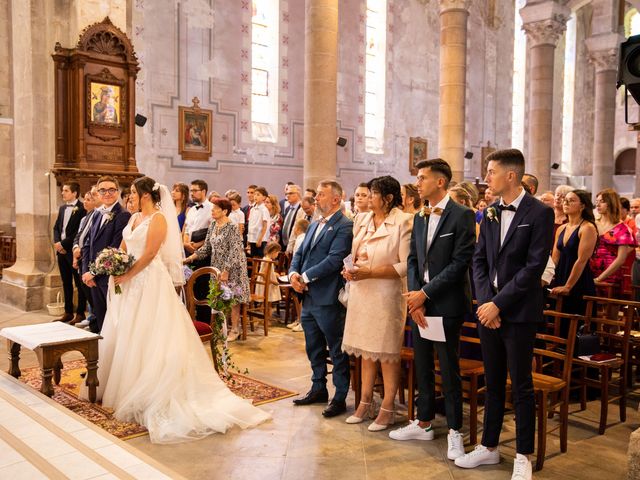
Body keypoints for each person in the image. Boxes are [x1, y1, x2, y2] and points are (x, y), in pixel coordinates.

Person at [85, 177, 269, 443]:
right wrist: (109, 268)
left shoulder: (158, 219)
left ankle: (151, 390)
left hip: (149, 282)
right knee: (126, 331)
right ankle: (124, 383)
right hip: (129, 284)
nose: (131, 197)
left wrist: (128, 274)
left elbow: (148, 255)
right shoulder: (133, 218)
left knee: (150, 333)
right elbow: (122, 249)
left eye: (134, 193)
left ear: (147, 195)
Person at [456, 149, 554, 480]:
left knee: (521, 384)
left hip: (519, 311)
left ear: (510, 176)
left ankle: (523, 455)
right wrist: (486, 302)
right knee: (493, 381)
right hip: (489, 310)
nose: (487, 177)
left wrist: (500, 304)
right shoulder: (491, 213)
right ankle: (489, 446)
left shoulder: (539, 213)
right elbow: (479, 260)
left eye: (491, 171)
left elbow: (533, 267)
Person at [389, 159, 475, 461]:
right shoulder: (422, 216)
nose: (418, 183)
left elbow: (459, 263)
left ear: (440, 182)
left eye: (422, 178)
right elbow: (413, 259)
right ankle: (424, 421)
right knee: (422, 364)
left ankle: (454, 431)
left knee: (448, 369)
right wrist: (415, 296)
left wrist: (424, 294)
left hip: (445, 302)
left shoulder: (463, 216)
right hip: (419, 301)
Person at [341, 176, 413, 430]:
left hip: (386, 294)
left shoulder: (404, 221)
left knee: (385, 353)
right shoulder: (361, 219)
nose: (368, 197)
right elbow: (356, 253)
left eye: (372, 193)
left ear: (388, 198)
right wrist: (349, 269)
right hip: (362, 291)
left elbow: (406, 264)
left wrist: (371, 271)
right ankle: (365, 401)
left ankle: (388, 406)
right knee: (365, 350)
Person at [289, 180, 353, 418]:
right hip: (308, 297)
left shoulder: (344, 225)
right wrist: (294, 273)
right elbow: (301, 253)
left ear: (336, 199)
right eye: (316, 194)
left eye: (322, 194)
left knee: (336, 349)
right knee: (313, 346)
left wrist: (305, 277)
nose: (316, 198)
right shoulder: (316, 223)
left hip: (328, 297)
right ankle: (318, 387)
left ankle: (339, 396)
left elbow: (335, 259)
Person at [185, 196, 251, 343]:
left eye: (215, 208)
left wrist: (226, 270)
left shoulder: (232, 227)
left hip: (233, 267)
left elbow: (235, 251)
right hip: (217, 266)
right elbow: (207, 248)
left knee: (233, 299)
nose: (212, 211)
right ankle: (222, 328)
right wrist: (189, 258)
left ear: (225, 211)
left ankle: (235, 329)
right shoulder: (213, 225)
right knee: (220, 298)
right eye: (212, 208)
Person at [81, 176, 131, 333]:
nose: (107, 193)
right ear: (97, 192)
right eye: (103, 190)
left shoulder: (123, 215)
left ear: (117, 191)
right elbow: (88, 244)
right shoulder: (96, 213)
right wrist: (85, 272)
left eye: (111, 190)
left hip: (109, 277)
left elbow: (115, 249)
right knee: (101, 317)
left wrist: (94, 272)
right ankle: (104, 353)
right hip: (93, 277)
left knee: (113, 320)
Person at [550, 190, 597, 326]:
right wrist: (547, 279)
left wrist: (568, 286)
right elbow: (554, 259)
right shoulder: (561, 228)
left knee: (575, 323)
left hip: (578, 280)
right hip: (560, 276)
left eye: (571, 200)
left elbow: (581, 260)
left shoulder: (587, 228)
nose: (566, 203)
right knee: (558, 321)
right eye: (565, 200)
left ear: (582, 206)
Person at [590, 188, 636, 296]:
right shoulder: (592, 224)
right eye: (597, 202)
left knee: (608, 311)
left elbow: (621, 259)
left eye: (602, 201)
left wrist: (600, 278)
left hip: (611, 274)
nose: (598, 205)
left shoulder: (622, 228)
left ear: (611, 203)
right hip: (590, 270)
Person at [53, 182, 87, 324]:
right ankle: (68, 312)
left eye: (66, 191)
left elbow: (77, 233)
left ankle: (80, 313)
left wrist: (64, 244)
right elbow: (56, 228)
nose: (63, 193)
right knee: (66, 282)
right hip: (61, 252)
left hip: (73, 251)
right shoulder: (62, 208)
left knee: (79, 284)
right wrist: (57, 243)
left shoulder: (81, 209)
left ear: (74, 193)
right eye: (63, 190)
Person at [183, 179, 213, 323]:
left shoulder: (212, 208)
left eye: (195, 190)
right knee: (190, 286)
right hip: (189, 251)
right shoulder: (191, 210)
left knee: (202, 288)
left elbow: (212, 234)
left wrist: (198, 245)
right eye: (191, 190)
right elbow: (187, 229)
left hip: (204, 254)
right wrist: (186, 243)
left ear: (204, 192)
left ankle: (204, 322)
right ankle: (191, 319)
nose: (192, 193)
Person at [72, 187, 101, 329]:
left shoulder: (100, 214)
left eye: (92, 197)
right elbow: (80, 235)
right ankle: (93, 318)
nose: (86, 201)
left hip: (92, 260)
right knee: (86, 291)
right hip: (82, 258)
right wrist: (76, 248)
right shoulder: (88, 216)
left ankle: (95, 320)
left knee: (95, 296)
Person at [255, 241, 283, 308]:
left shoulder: (265, 258)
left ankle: (266, 314)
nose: (277, 255)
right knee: (268, 300)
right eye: (277, 252)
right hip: (266, 284)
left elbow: (268, 272)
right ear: (274, 251)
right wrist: (273, 282)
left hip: (265, 282)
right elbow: (264, 275)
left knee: (268, 301)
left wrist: (275, 274)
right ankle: (267, 315)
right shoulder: (269, 261)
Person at [247, 187, 271, 257]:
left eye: (258, 195)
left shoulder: (264, 210)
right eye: (255, 194)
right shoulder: (252, 209)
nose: (255, 196)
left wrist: (260, 239)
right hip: (252, 238)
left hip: (260, 239)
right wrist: (249, 239)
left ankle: (260, 268)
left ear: (264, 197)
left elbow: (265, 226)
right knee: (254, 258)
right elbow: (250, 225)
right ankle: (255, 268)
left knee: (260, 258)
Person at [281, 185, 303, 250]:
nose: (288, 195)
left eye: (290, 193)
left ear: (298, 194)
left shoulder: (301, 208)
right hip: (284, 245)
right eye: (286, 194)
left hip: (295, 245)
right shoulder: (287, 209)